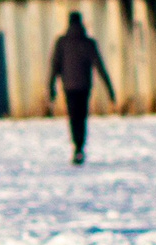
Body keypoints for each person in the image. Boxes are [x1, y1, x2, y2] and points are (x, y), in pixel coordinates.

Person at [49, 11, 116, 164]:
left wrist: (51, 87)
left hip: (69, 87)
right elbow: (100, 67)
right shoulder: (88, 43)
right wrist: (109, 90)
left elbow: (54, 66)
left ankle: (76, 146)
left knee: (73, 117)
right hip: (84, 86)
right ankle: (80, 146)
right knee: (82, 116)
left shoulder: (62, 43)